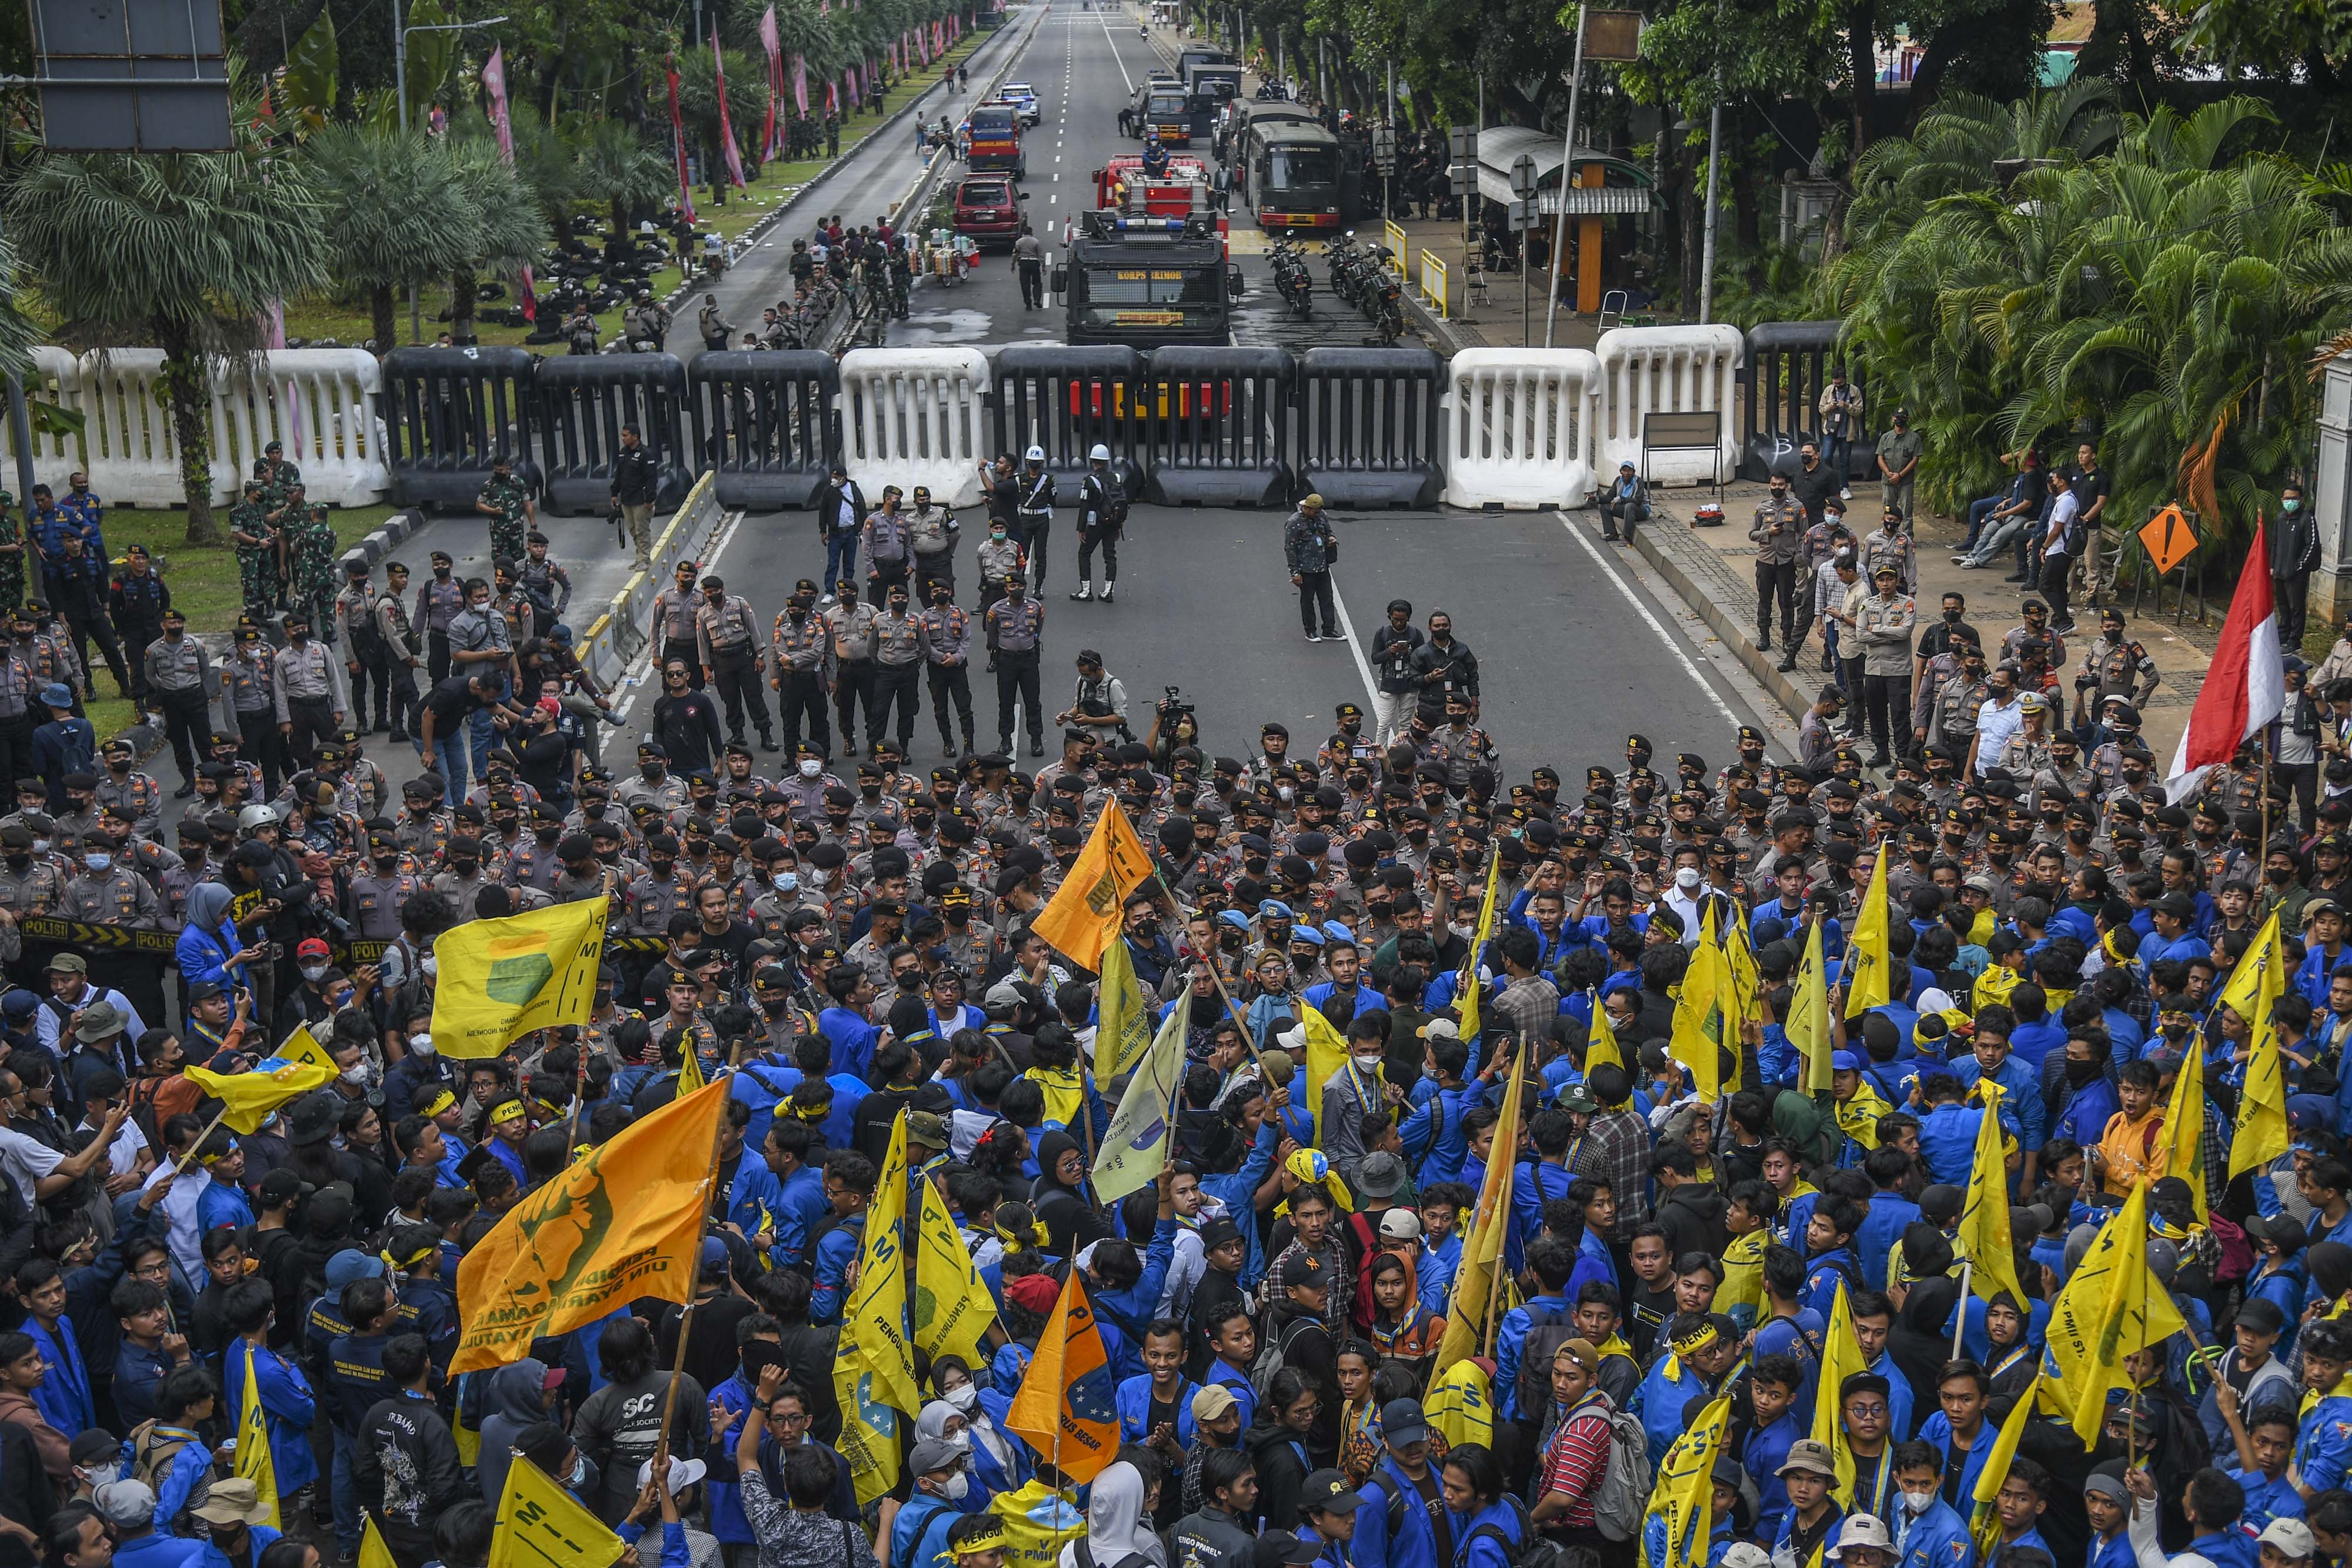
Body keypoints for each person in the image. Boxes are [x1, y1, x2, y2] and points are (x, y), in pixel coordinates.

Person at [1285, 495, 1339, 644]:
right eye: (1315, 512)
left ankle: (1329, 630)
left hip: (1322, 566)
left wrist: (1331, 538)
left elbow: (1329, 531)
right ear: (1307, 508)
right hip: (1306, 569)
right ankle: (1310, 630)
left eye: (1319, 511)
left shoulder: (1322, 515)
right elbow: (1290, 548)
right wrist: (1295, 573)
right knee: (1308, 601)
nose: (1317, 514)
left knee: (1327, 599)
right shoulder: (1294, 522)